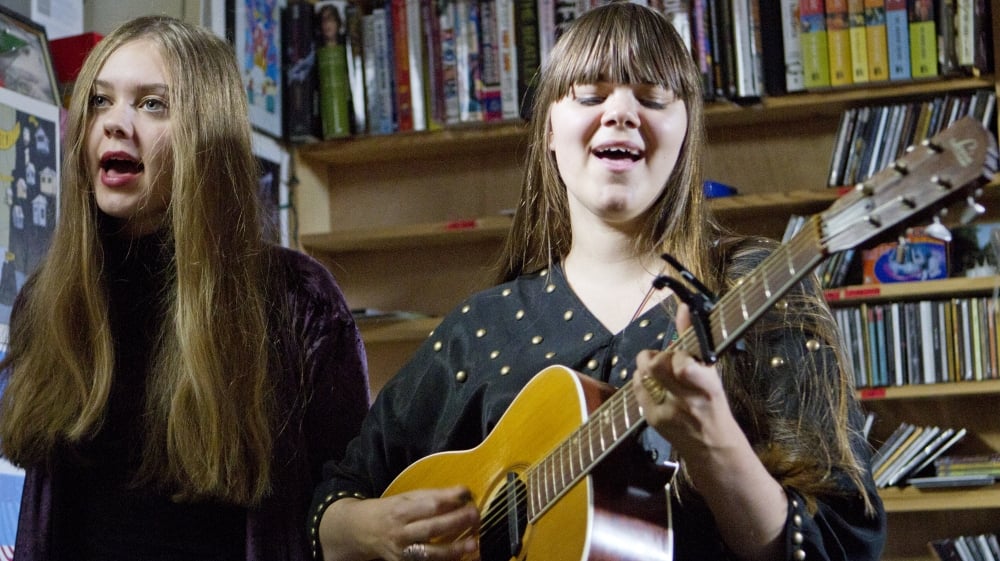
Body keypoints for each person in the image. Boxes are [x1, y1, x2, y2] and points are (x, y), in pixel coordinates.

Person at [310, 3, 886, 561]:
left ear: (686, 131)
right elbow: (333, 502)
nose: (620, 112)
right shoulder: (478, 328)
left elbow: (834, 544)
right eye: (589, 95)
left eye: (653, 96)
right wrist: (365, 531)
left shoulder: (757, 285)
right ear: (549, 135)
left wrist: (714, 443)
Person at [0, 15, 370, 560]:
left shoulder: (297, 301)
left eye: (152, 104)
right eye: (100, 101)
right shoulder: (47, 302)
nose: (115, 123)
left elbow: (344, 497)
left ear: (208, 135)